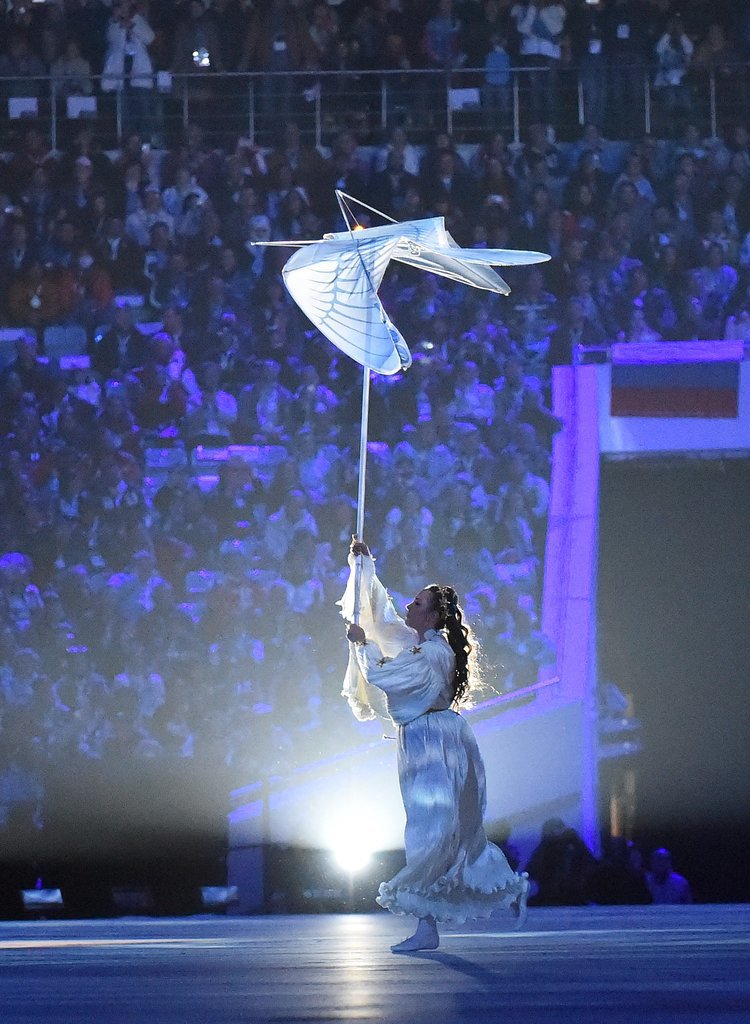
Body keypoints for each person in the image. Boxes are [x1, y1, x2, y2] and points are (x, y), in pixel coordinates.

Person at [341, 539, 529, 953]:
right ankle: (468, 903)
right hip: (423, 740)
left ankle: (438, 920)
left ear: (433, 616)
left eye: (418, 603)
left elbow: (388, 674)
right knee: (437, 830)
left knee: (432, 830)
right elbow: (383, 620)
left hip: (434, 744)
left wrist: (362, 645)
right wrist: (364, 566)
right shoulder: (419, 643)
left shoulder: (432, 653)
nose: (409, 607)